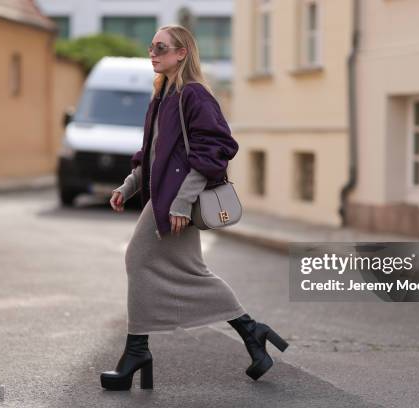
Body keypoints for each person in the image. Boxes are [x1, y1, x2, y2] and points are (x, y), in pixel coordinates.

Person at [99, 25, 289, 391]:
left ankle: (137, 352)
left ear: (182, 53)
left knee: (139, 260)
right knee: (189, 271)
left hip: (176, 201)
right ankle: (253, 334)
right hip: (165, 198)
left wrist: (183, 201)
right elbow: (152, 155)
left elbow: (216, 148)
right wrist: (128, 186)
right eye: (151, 46)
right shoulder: (162, 94)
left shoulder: (194, 95)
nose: (152, 52)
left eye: (160, 47)